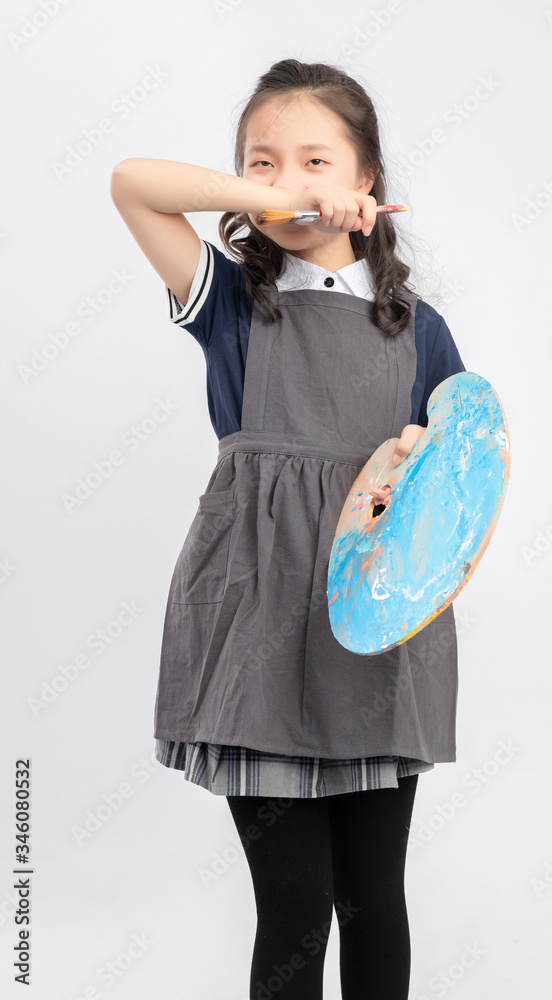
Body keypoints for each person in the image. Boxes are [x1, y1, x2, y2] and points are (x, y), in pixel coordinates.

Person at [110, 57, 466, 1000]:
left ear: (367, 186)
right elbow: (132, 187)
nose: (290, 179)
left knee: (373, 899)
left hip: (375, 633)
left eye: (318, 160)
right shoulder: (231, 302)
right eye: (261, 163)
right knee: (294, 909)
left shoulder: (418, 329)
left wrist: (408, 484)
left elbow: (460, 483)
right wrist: (260, 199)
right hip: (259, 628)